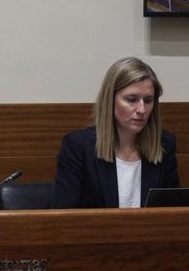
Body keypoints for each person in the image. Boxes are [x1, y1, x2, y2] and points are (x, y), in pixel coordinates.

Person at [52, 57, 179, 208]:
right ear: (110, 99)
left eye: (148, 100)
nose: (142, 110)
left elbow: (173, 211)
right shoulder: (78, 147)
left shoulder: (164, 144)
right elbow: (65, 215)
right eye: (131, 99)